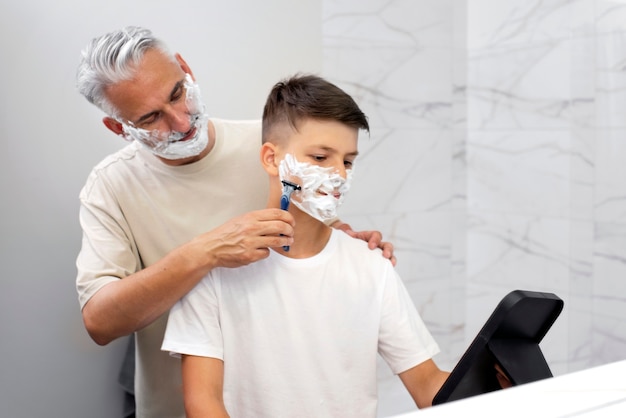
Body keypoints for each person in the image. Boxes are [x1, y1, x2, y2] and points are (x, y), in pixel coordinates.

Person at [75, 27, 395, 417]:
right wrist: (206, 252)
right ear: (119, 129)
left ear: (186, 70)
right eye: (151, 117)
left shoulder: (273, 149)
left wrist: (348, 246)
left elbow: (316, 248)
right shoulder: (109, 187)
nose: (180, 121)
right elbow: (99, 321)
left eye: (177, 93)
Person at [161, 74, 450, 417]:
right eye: (320, 157)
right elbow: (203, 404)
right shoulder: (213, 271)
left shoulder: (370, 265)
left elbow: (428, 386)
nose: (339, 174)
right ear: (271, 159)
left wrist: (498, 384)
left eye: (347, 161)